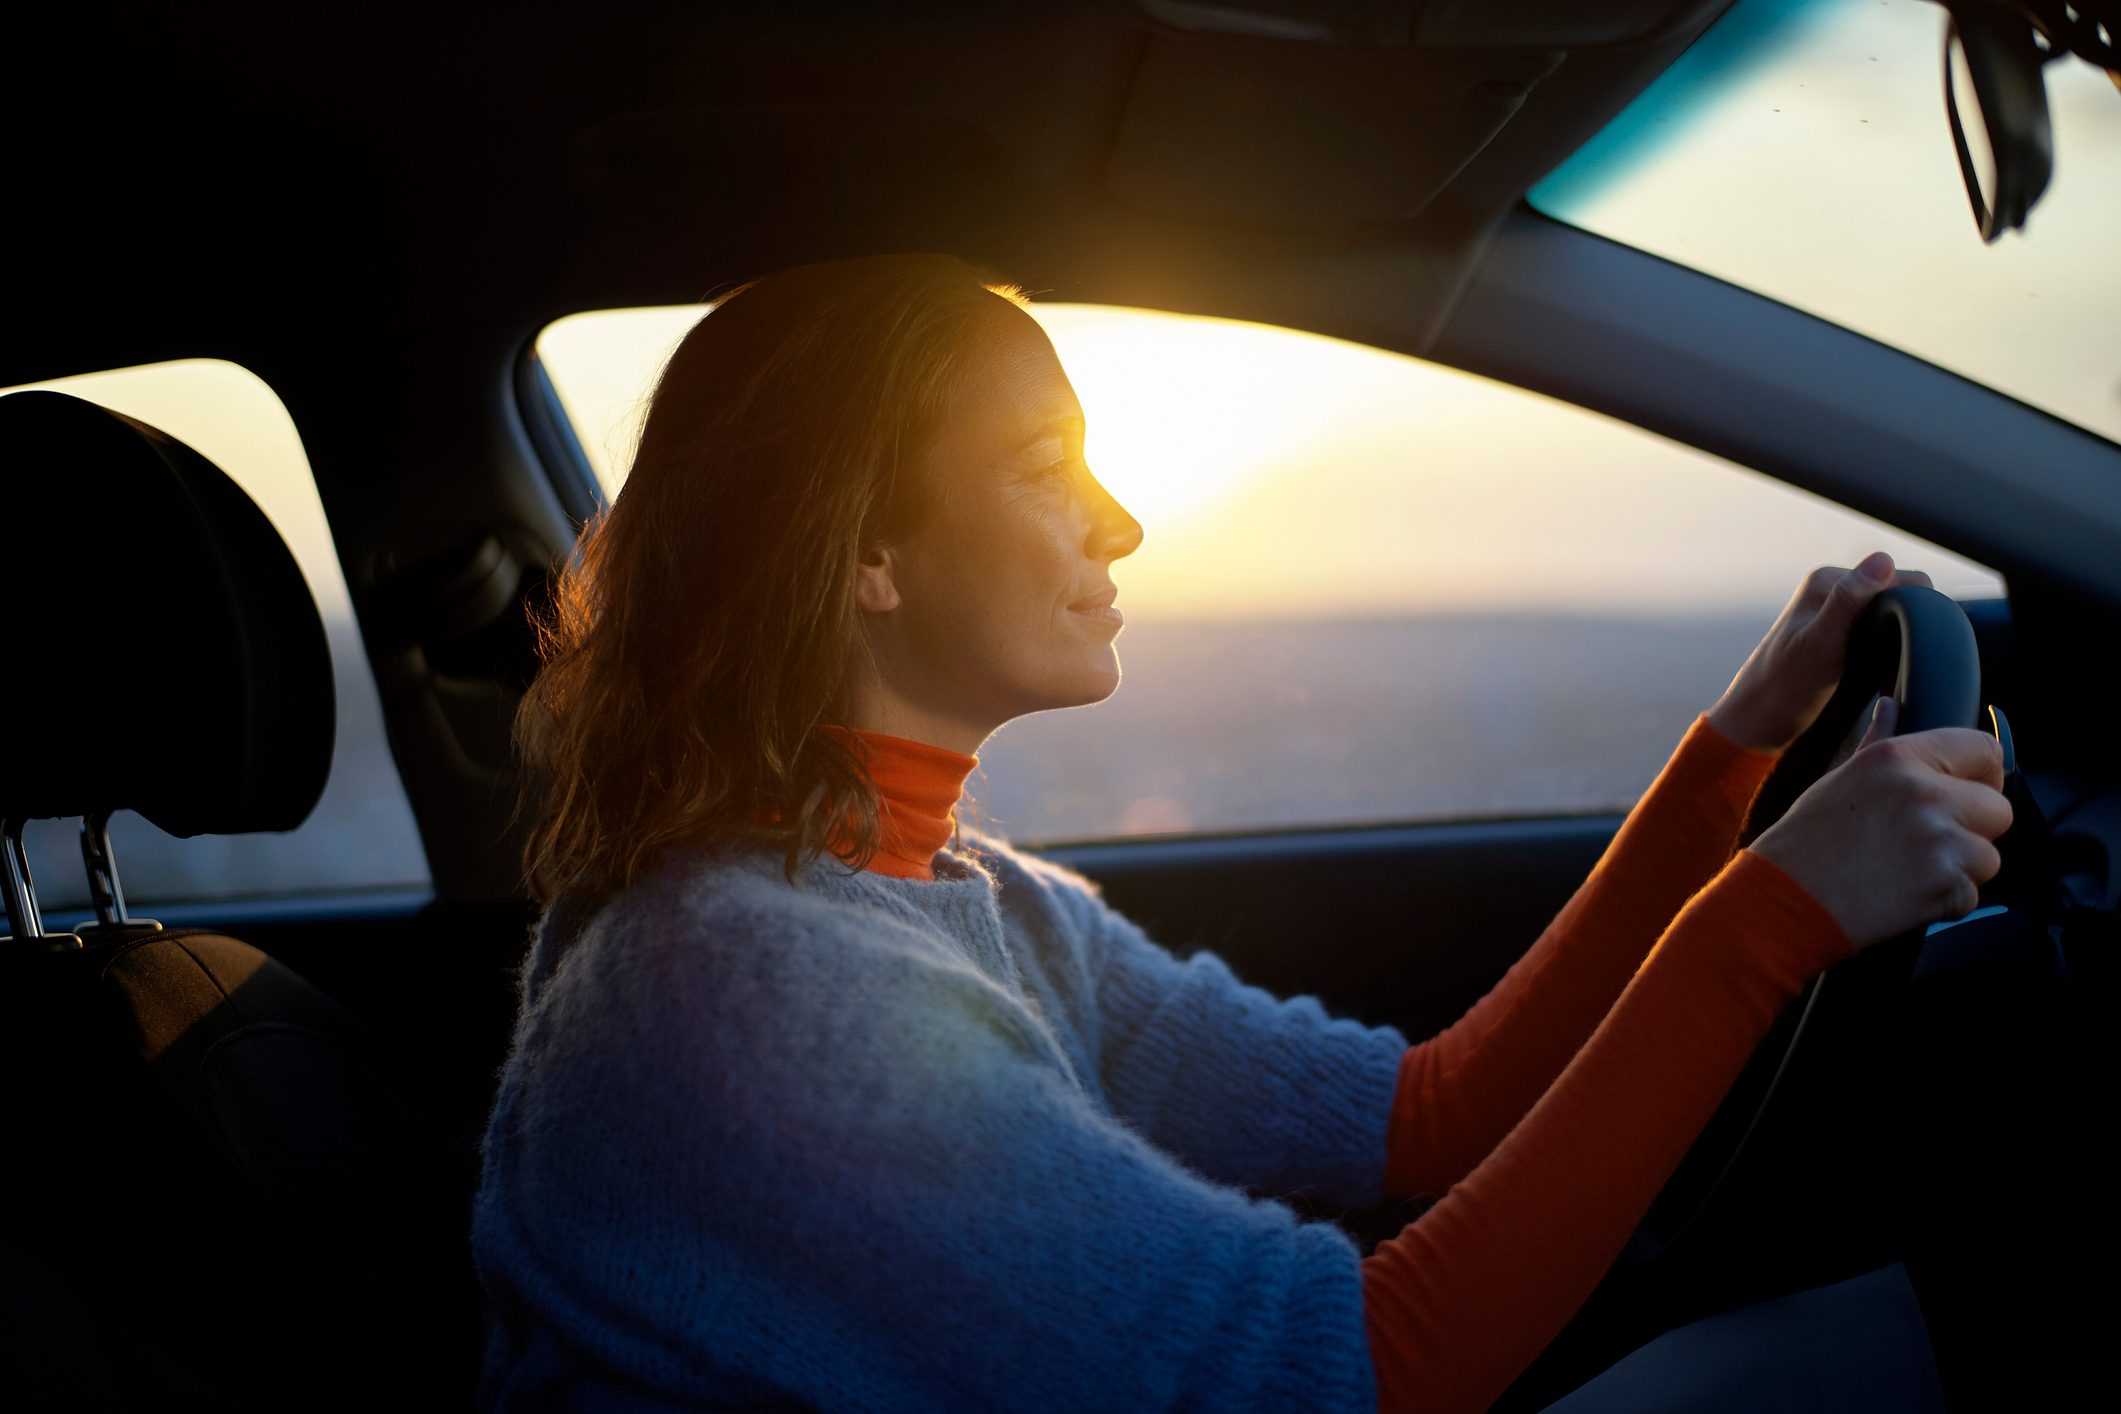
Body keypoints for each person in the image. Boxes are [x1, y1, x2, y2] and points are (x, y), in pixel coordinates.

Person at [471, 253, 2012, 1411]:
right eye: (1041, 469)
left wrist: (1728, 761)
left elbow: (1423, 1111)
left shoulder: (963, 898)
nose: (1119, 521)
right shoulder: (747, 987)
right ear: (866, 552)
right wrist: (1766, 922)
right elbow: (1366, 1369)